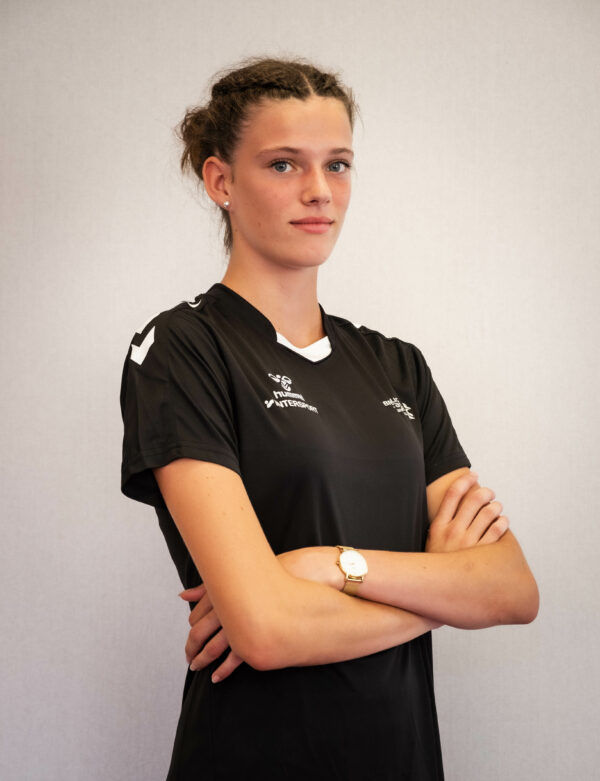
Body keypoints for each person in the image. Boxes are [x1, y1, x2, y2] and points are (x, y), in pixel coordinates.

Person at [120, 57, 538, 780]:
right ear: (220, 181)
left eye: (337, 164)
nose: (319, 190)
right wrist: (445, 593)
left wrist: (327, 565)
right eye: (283, 164)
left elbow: (511, 589)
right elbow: (265, 631)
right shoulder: (183, 349)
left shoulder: (397, 366)